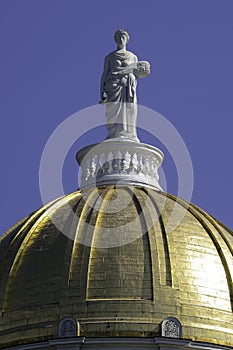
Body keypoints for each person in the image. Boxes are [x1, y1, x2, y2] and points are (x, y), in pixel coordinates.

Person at [100, 30, 150, 141]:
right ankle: (114, 134)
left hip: (127, 88)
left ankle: (129, 133)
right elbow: (104, 74)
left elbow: (137, 72)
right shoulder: (110, 57)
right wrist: (102, 91)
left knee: (129, 109)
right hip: (113, 87)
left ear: (127, 39)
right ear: (116, 40)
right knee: (113, 110)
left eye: (123, 37)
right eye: (119, 37)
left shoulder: (133, 57)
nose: (121, 39)